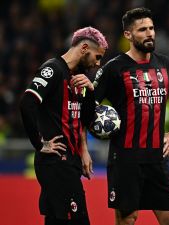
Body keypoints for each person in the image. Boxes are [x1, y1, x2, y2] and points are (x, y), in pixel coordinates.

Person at [92, 7, 169, 225]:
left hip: (157, 157)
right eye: (142, 29)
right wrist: (91, 133)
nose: (150, 33)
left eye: (151, 28)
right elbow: (89, 106)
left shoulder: (166, 65)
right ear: (128, 35)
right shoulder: (113, 68)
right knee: (127, 218)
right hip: (125, 158)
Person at [20, 26, 108, 225]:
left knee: (57, 220)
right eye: (97, 56)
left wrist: (91, 90)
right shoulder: (53, 70)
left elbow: (85, 118)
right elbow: (27, 104)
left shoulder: (79, 77)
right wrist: (40, 144)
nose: (98, 63)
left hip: (71, 161)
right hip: (56, 162)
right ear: (84, 47)